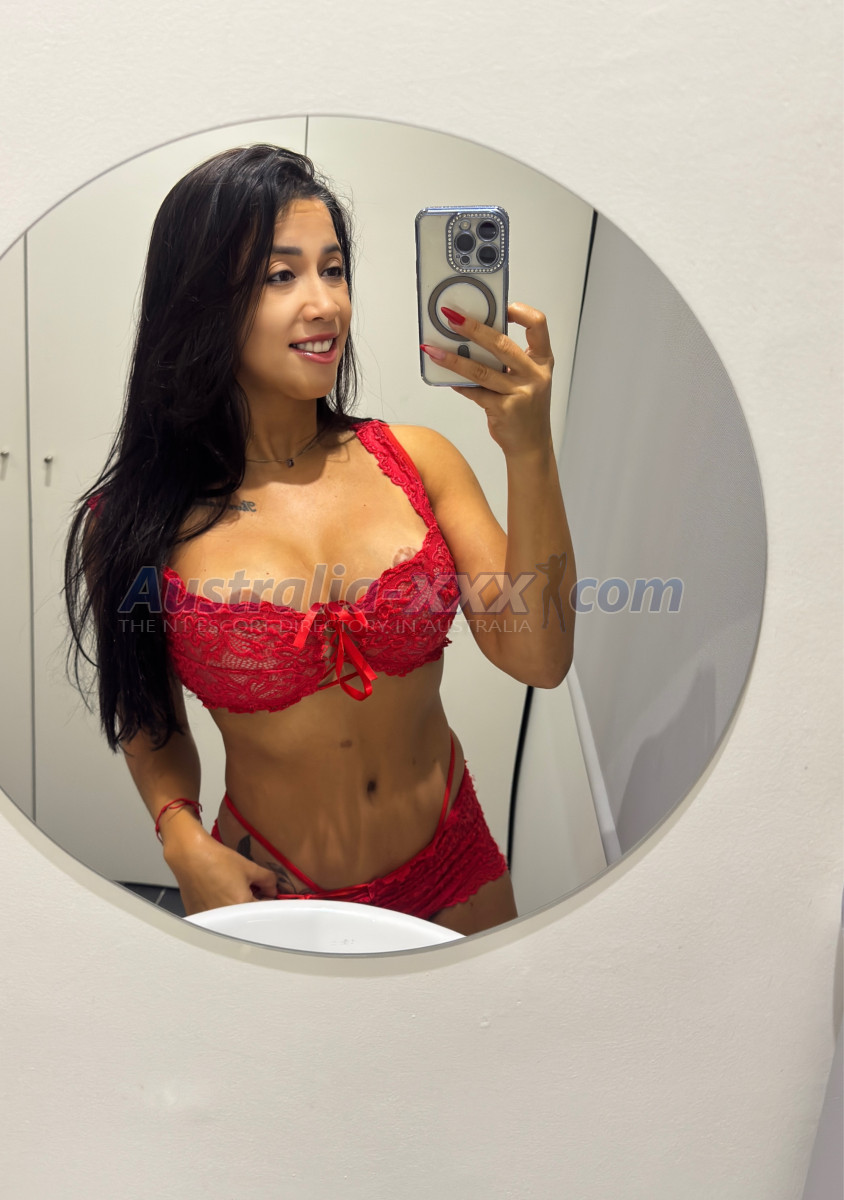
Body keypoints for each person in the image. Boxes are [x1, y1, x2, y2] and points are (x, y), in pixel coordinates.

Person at [64, 144, 576, 936]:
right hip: (272, 893)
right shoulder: (137, 522)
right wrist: (180, 836)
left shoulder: (419, 461)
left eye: (333, 270)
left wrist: (530, 450)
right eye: (281, 275)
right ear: (199, 300)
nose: (325, 303)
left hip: (455, 866)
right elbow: (146, 713)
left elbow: (538, 659)